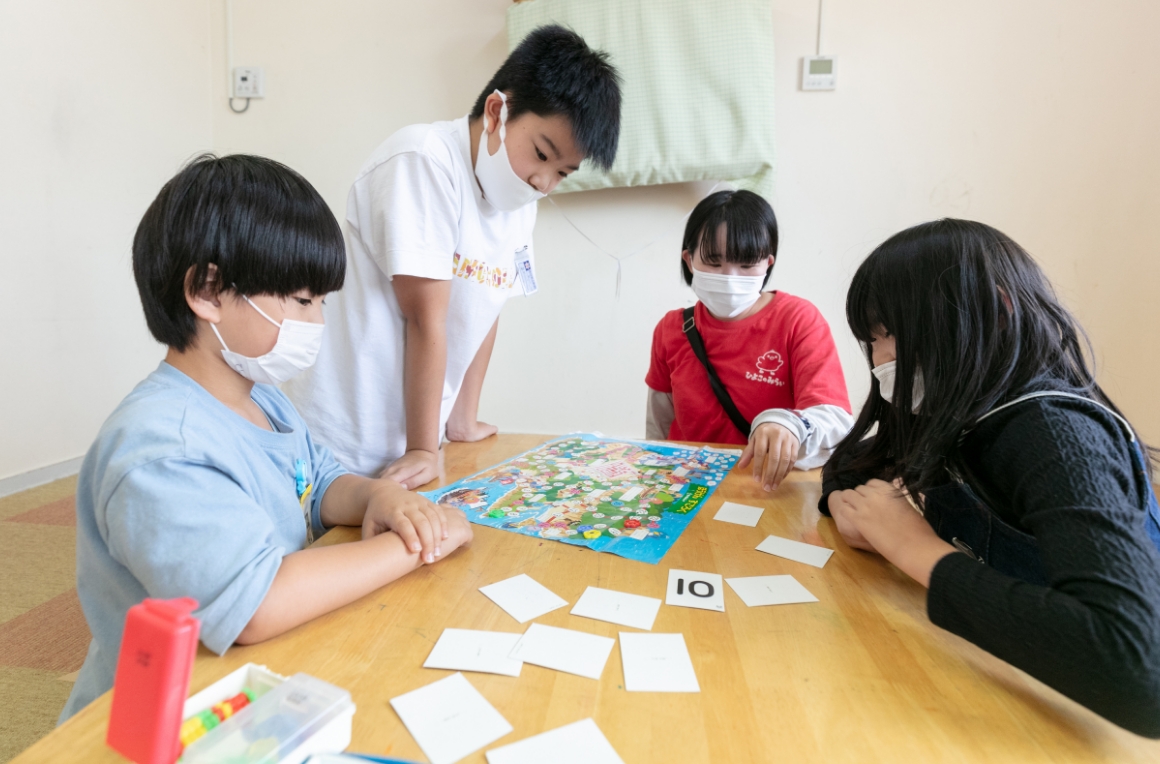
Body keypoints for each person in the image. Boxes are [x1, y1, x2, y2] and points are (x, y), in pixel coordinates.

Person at [59, 155, 472, 722]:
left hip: (257, 679)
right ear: (207, 291)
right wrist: (413, 544)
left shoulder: (262, 396)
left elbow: (319, 480)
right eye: (302, 301)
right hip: (164, 719)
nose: (318, 322)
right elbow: (257, 604)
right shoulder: (160, 448)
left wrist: (378, 496)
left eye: (322, 303)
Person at [822, 219, 1160, 737]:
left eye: (892, 334)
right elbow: (850, 463)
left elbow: (1140, 675)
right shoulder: (953, 411)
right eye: (871, 340)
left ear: (995, 313)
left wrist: (915, 549)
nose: (880, 360)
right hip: (999, 682)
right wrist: (855, 512)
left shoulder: (1054, 434)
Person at [284, 25, 622, 484]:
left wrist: (461, 419)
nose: (544, 182)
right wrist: (424, 448)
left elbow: (488, 306)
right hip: (346, 436)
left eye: (562, 172)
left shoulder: (518, 204)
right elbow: (427, 318)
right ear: (497, 110)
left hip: (417, 438)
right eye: (542, 154)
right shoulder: (422, 161)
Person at [644, 190, 853, 491]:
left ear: (767, 263)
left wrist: (789, 424)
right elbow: (659, 425)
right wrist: (654, 475)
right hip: (688, 485)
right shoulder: (671, 328)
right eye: (714, 263)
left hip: (766, 488)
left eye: (745, 264)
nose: (729, 277)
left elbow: (836, 422)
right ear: (689, 260)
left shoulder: (797, 319)